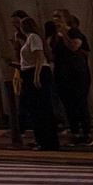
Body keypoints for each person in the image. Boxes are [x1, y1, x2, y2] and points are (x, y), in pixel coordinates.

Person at [50, 9, 93, 146]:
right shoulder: (54, 36)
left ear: (66, 18)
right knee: (68, 104)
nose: (55, 18)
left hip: (77, 73)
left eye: (59, 16)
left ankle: (87, 133)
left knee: (80, 102)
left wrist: (64, 35)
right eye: (54, 16)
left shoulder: (74, 32)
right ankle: (74, 132)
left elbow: (74, 47)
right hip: (61, 73)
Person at [17, 17, 59, 150]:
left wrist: (36, 76)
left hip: (36, 72)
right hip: (31, 72)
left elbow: (39, 57)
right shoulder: (30, 38)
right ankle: (42, 139)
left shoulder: (33, 37)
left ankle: (46, 142)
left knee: (41, 109)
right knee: (36, 109)